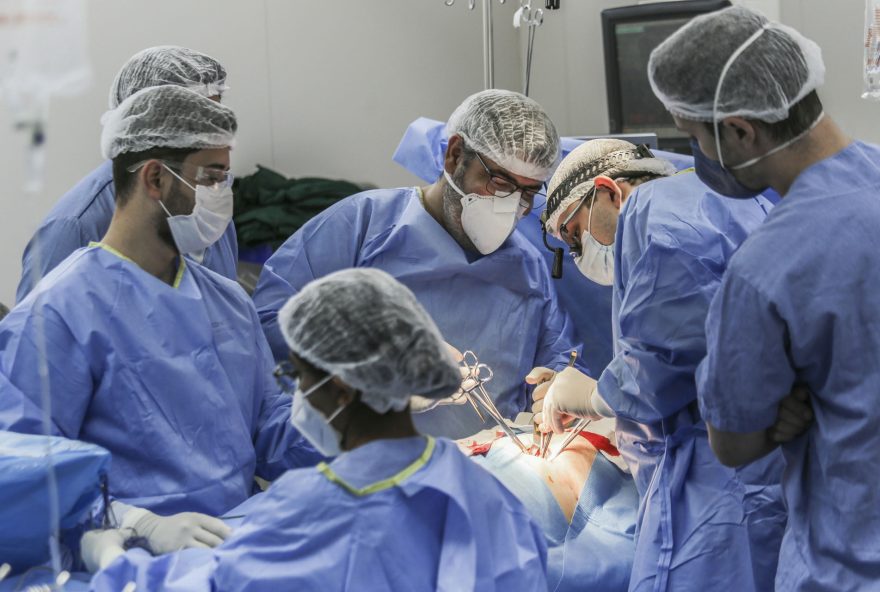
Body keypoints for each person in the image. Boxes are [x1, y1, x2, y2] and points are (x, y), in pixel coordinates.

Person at [82, 268, 548, 592]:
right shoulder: (486, 495)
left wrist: (113, 560)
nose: (297, 393)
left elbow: (215, 582)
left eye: (301, 377)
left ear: (342, 389)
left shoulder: (309, 513)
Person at [0, 85, 320, 554]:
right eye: (212, 178)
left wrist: (355, 430)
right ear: (154, 179)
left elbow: (267, 424)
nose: (222, 197)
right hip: (133, 564)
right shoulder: (59, 314)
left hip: (238, 543)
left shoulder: (226, 300)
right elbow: (27, 474)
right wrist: (140, 526)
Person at [648, 6, 880, 590]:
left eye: (696, 136)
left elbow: (734, 442)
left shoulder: (765, 269)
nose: (697, 153)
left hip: (848, 563)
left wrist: (774, 419)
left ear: (740, 130)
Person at [531, 139, 803, 590]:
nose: (579, 254)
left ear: (609, 192)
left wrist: (594, 396)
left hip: (717, 490)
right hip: (768, 470)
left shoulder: (657, 216)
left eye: (575, 233)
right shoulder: (728, 200)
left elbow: (667, 361)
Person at [252, 89, 582, 439]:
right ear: (455, 156)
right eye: (499, 182)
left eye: (527, 193)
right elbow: (268, 325)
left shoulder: (526, 267)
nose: (512, 204)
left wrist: (558, 387)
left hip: (477, 473)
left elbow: (556, 359)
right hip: (362, 465)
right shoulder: (363, 226)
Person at [16, 46, 238, 303]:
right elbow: (38, 333)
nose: (214, 137)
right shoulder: (74, 226)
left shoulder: (208, 205)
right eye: (195, 126)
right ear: (143, 122)